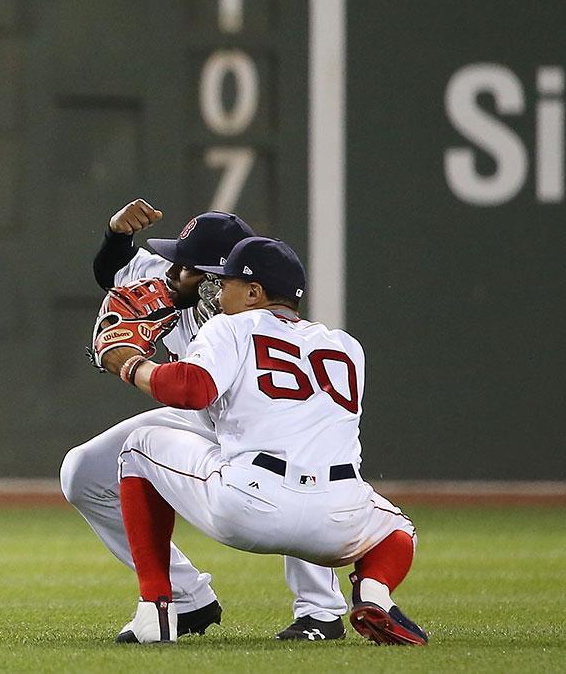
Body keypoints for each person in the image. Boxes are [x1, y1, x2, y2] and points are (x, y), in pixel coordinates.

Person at [92, 236, 428, 646]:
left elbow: (190, 390)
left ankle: (157, 609)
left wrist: (127, 363)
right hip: (339, 518)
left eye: (229, 282)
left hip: (251, 501)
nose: (219, 291)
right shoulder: (346, 345)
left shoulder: (231, 325)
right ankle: (374, 592)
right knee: (398, 528)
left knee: (138, 447)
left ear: (254, 292)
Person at [63, 200, 350, 641]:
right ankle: (186, 597)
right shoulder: (174, 279)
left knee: (300, 470)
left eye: (186, 266)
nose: (170, 272)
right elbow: (113, 269)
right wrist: (117, 235)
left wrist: (130, 364)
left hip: (264, 425)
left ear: (223, 280)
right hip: (198, 415)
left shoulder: (262, 321)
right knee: (82, 472)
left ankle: (321, 610)